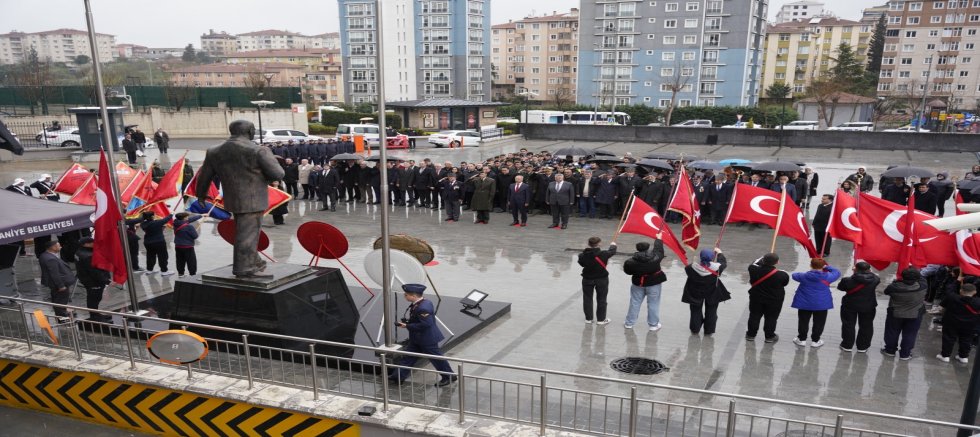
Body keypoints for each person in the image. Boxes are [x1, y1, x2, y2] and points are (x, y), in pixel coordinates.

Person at [196, 120, 285, 278]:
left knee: (244, 232)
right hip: (253, 199)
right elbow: (278, 174)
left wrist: (201, 194)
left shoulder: (214, 151)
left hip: (233, 198)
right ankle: (244, 268)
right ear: (250, 131)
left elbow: (204, 176)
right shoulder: (259, 150)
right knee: (248, 235)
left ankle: (254, 260)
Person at [388, 284, 457, 387]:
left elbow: (426, 324)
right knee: (408, 357)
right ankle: (398, 376)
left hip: (427, 339)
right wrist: (408, 323)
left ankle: (449, 376)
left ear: (414, 296)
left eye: (406, 295)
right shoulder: (422, 302)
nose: (404, 296)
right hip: (417, 338)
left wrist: (407, 325)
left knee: (436, 359)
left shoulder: (423, 307)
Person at [791, 258, 841, 347]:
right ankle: (815, 340)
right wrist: (827, 267)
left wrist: (810, 271)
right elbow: (837, 272)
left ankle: (802, 339)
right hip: (821, 304)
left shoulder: (804, 276)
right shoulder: (829, 277)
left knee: (803, 321)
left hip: (804, 303)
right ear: (823, 266)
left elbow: (794, 275)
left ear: (811, 265)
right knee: (819, 322)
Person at [882, 267, 927, 360]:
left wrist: (896, 281)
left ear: (902, 276)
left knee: (892, 332)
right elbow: (922, 278)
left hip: (895, 313)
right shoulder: (922, 286)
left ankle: (890, 350)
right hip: (915, 314)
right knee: (910, 334)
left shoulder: (894, 287)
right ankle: (905, 354)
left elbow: (886, 292)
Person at [682, 248, 729, 335]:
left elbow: (690, 271)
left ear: (701, 257)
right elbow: (723, 263)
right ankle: (709, 330)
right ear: (712, 258)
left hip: (695, 292)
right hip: (712, 292)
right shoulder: (718, 268)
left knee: (695, 311)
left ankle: (695, 329)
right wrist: (719, 253)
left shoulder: (690, 267)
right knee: (711, 311)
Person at [836, 262, 880, 352]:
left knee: (848, 325)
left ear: (856, 269)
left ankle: (847, 345)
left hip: (850, 305)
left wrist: (854, 274)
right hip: (868, 306)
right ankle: (862, 347)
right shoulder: (875, 279)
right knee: (866, 326)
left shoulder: (847, 280)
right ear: (869, 270)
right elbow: (871, 276)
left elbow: (840, 287)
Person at [623, 239, 666, 331]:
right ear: (648, 248)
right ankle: (653, 325)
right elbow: (659, 249)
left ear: (637, 249)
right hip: (654, 284)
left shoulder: (630, 262)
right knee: (653, 304)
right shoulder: (656, 257)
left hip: (638, 284)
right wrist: (658, 239)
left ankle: (629, 323)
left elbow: (628, 272)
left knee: (635, 303)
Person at [746, 253, 790, 343]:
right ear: (777, 262)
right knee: (771, 318)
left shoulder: (753, 269)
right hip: (774, 300)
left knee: (754, 316)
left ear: (763, 260)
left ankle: (751, 335)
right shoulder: (782, 274)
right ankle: (769, 336)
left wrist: (763, 258)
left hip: (756, 298)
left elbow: (755, 262)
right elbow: (784, 283)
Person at [578, 237, 617, 325]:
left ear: (589, 244)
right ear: (599, 244)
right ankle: (601, 320)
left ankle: (588, 319)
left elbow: (582, 264)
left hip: (587, 279)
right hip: (601, 279)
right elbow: (612, 251)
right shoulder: (604, 254)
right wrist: (613, 245)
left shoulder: (582, 255)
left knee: (587, 298)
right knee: (602, 299)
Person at [937, 283, 980, 363]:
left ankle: (945, 356)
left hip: (951, 322)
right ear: (974, 292)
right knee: (966, 340)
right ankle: (963, 357)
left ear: (961, 290)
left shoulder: (952, 297)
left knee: (948, 338)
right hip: (970, 325)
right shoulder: (978, 301)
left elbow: (942, 307)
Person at [75, 237, 112, 322]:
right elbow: (95, 271)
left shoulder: (79, 252)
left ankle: (95, 314)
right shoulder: (88, 256)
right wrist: (106, 280)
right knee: (95, 298)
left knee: (93, 298)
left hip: (86, 279)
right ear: (86, 244)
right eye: (92, 242)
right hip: (93, 281)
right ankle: (94, 316)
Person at [39, 241, 75, 318]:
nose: (60, 247)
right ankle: (62, 316)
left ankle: (62, 313)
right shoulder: (50, 259)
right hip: (59, 284)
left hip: (56, 283)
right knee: (60, 300)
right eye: (59, 246)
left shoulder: (45, 255)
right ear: (53, 247)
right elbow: (54, 274)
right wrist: (60, 285)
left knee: (58, 299)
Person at [140, 211, 174, 276]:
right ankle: (164, 271)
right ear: (152, 216)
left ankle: (149, 270)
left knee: (150, 256)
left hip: (148, 242)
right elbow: (166, 219)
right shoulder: (157, 222)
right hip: (159, 242)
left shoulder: (143, 224)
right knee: (162, 256)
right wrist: (171, 214)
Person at [173, 212, 203, 277]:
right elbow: (195, 236)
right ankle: (192, 274)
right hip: (187, 247)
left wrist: (201, 215)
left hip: (178, 246)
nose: (188, 218)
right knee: (191, 261)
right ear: (184, 218)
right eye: (187, 217)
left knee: (180, 260)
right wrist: (195, 231)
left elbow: (190, 220)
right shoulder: (189, 226)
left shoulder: (175, 223)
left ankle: (181, 273)